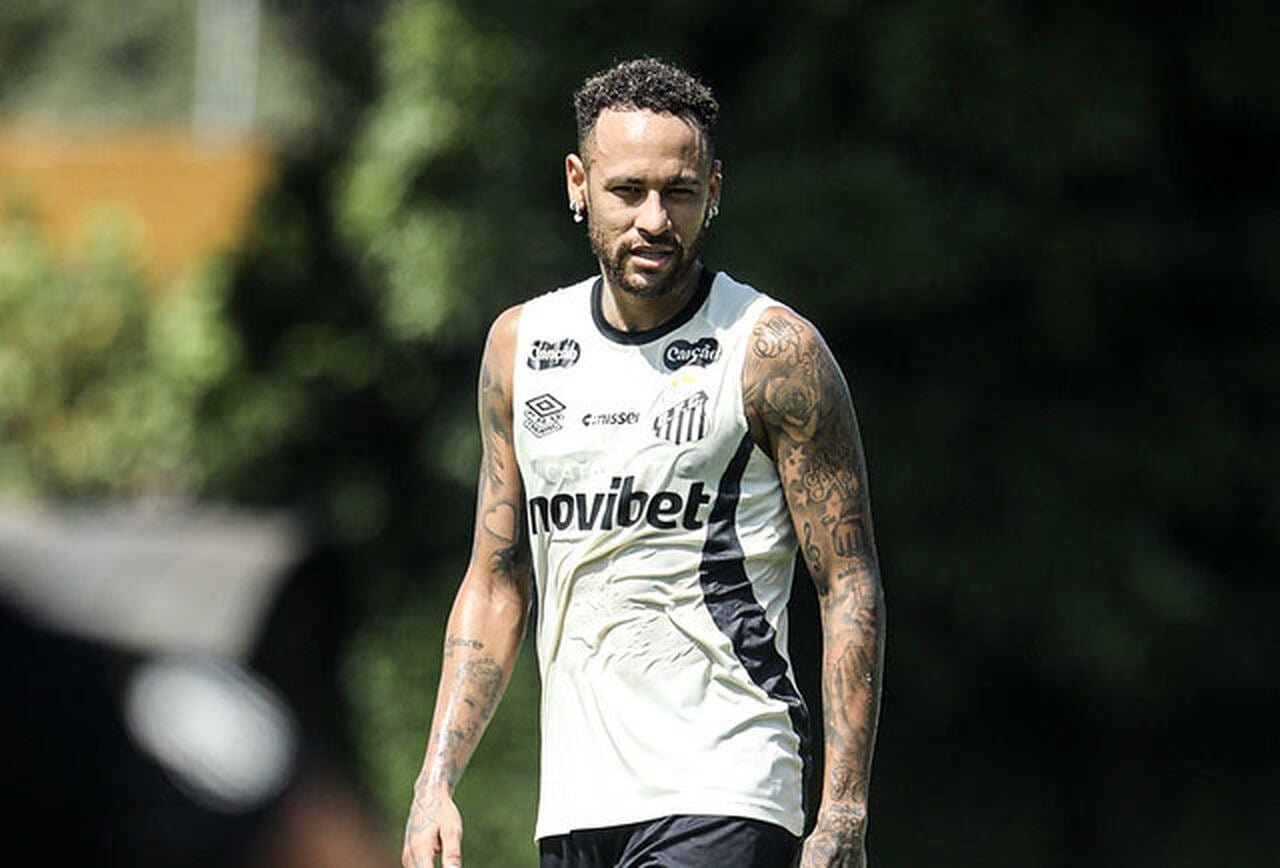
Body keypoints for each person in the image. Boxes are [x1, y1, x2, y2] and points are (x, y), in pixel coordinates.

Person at [402, 57, 885, 868]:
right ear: (578, 184)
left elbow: (848, 582)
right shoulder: (521, 348)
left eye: (680, 192)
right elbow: (496, 580)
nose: (655, 219)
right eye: (628, 191)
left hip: (727, 783)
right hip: (576, 806)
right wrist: (435, 782)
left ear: (714, 190)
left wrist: (842, 811)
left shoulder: (771, 352)